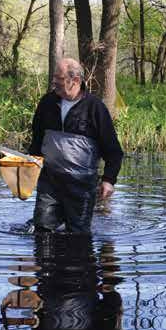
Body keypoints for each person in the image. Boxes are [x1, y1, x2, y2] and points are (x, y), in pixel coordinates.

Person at [29, 58, 123, 234]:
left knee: (78, 234)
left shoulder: (95, 108)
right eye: (54, 78)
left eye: (60, 78)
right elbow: (36, 142)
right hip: (50, 181)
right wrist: (27, 173)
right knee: (42, 229)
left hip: (82, 185)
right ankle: (45, 261)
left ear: (76, 81)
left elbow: (113, 151)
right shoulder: (47, 103)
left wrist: (109, 179)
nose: (54, 82)